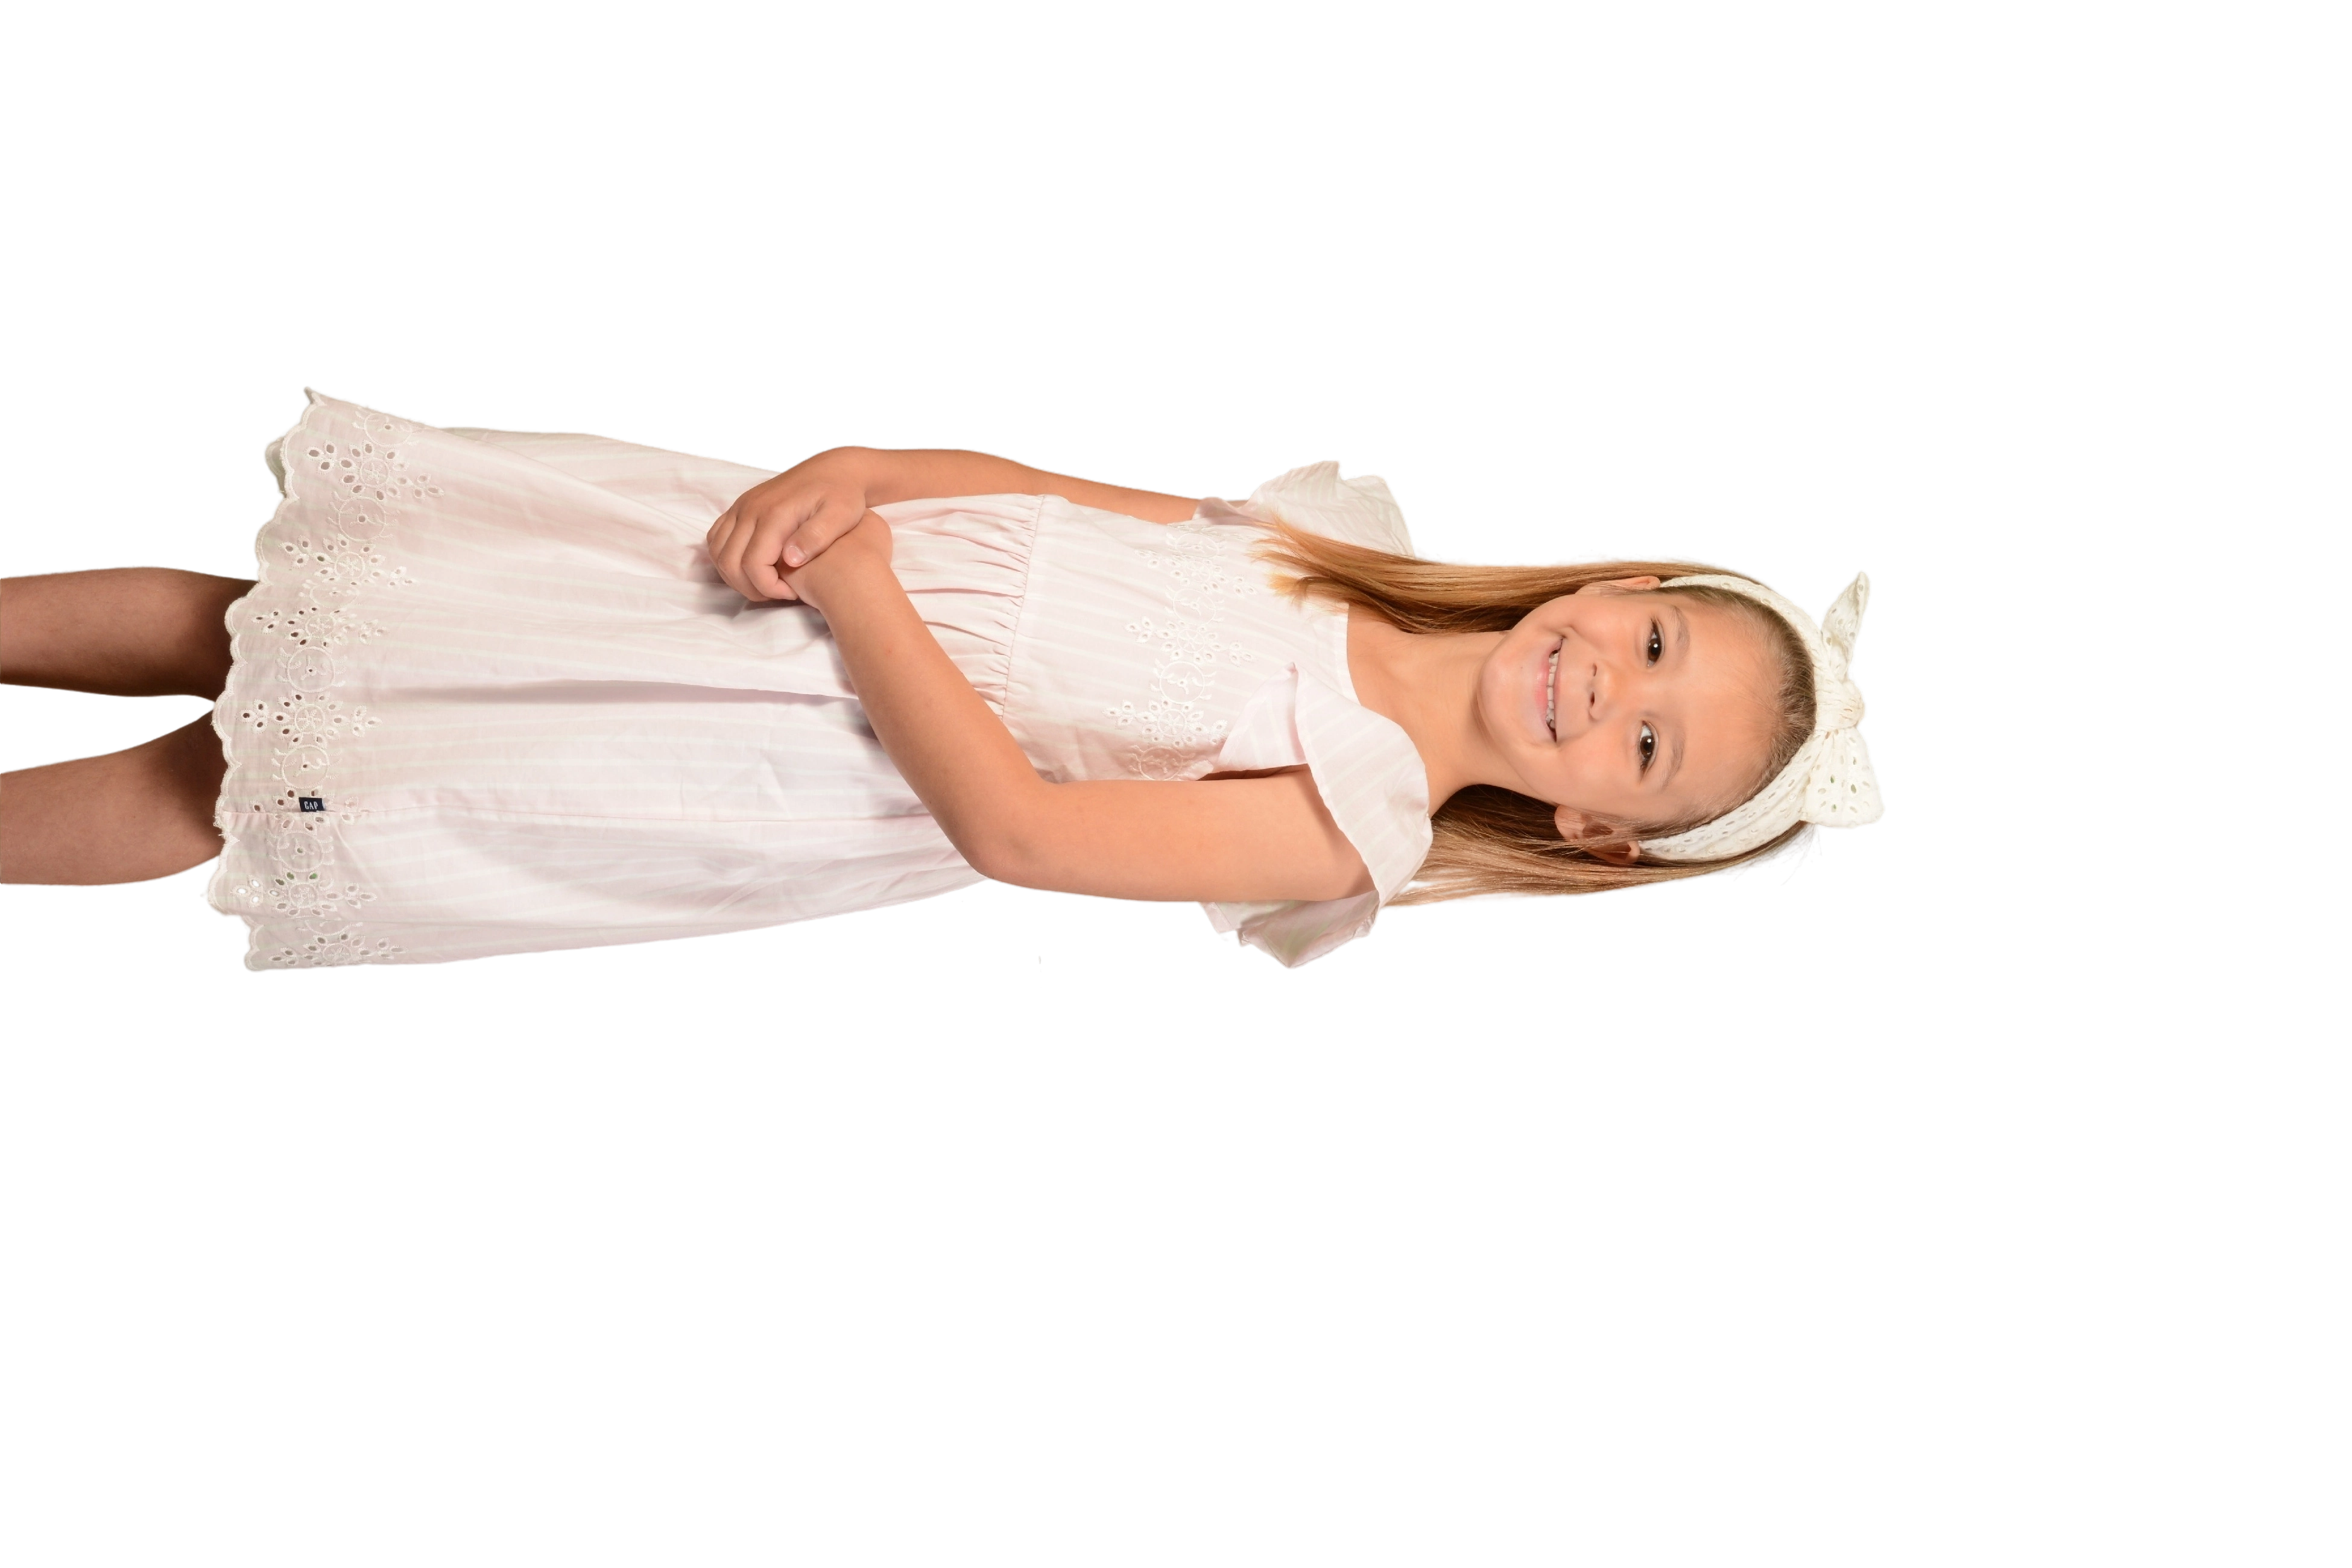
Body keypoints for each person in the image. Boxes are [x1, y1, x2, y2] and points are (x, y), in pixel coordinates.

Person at [5, 386, 1886, 973]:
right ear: (1620, 585)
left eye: (1648, 749)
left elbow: (1022, 829)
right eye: (1653, 644)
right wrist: (864, 476)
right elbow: (1069, 503)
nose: (1604, 691)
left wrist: (861, 587)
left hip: (758, 736)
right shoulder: (1332, 538)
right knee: (248, 614)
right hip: (711, 590)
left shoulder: (1351, 826)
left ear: (1593, 830)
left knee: (202, 785)